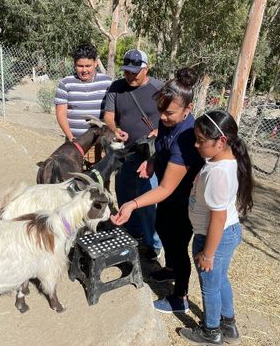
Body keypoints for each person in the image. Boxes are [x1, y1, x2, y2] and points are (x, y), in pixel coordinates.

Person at [111, 67, 204, 313]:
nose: (162, 117)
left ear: (188, 110)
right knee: (162, 228)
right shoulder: (168, 122)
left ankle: (180, 297)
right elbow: (162, 146)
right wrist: (152, 161)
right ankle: (170, 269)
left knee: (177, 244)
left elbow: (165, 188)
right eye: (160, 110)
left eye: (169, 113)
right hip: (169, 197)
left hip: (183, 201)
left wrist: (132, 204)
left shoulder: (187, 138)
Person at [180, 109, 253, 345]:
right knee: (220, 280)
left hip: (214, 238)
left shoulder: (218, 173)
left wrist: (208, 254)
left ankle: (211, 331)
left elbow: (218, 219)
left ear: (221, 141)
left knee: (210, 286)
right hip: (226, 234)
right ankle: (228, 325)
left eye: (201, 140)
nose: (196, 145)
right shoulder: (222, 161)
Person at [104, 48, 163, 260]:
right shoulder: (116, 87)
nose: (130, 76)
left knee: (148, 201)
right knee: (124, 194)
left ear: (147, 69)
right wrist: (114, 129)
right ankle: (132, 233)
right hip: (125, 153)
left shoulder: (159, 89)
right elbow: (108, 116)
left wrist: (158, 132)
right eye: (127, 72)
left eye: (135, 72)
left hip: (150, 155)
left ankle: (153, 244)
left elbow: (172, 117)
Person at [54, 43, 112, 165]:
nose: (84, 70)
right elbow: (61, 114)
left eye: (88, 66)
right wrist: (71, 139)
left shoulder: (108, 83)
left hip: (99, 146)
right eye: (80, 66)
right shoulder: (66, 83)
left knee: (98, 176)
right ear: (74, 64)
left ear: (95, 63)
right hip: (74, 145)